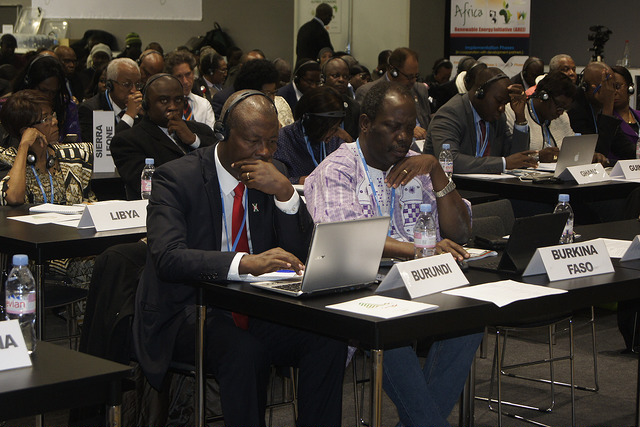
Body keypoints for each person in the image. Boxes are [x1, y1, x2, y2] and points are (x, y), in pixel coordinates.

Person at [132, 89, 346, 426]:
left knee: (328, 340)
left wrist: (286, 193)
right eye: (253, 141)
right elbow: (168, 258)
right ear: (224, 135)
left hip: (256, 306)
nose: (264, 152)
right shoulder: (176, 178)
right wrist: (244, 262)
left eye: (272, 142)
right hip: (190, 311)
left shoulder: (271, 172)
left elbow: (302, 252)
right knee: (244, 352)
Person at [304, 81, 481, 427]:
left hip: (422, 281)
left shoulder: (419, 164)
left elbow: (461, 232)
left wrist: (437, 171)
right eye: (393, 126)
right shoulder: (337, 170)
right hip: (360, 287)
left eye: (409, 126)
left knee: (470, 321)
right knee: (391, 330)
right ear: (366, 123)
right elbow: (347, 237)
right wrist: (419, 249)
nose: (404, 137)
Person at [111, 74, 216, 199]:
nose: (173, 107)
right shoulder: (128, 141)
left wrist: (194, 140)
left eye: (178, 100)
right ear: (146, 105)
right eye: (164, 101)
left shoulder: (201, 130)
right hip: (163, 211)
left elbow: (220, 160)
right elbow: (149, 186)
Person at [425, 66, 537, 174]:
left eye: (505, 103)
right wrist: (503, 163)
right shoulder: (450, 114)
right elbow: (450, 161)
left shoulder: (498, 118)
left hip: (488, 188)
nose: (502, 108)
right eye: (498, 101)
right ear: (479, 93)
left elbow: (517, 160)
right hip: (453, 188)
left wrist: (520, 117)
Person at [0, 90, 95, 205]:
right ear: (26, 130)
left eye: (52, 115)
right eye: (46, 119)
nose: (55, 121)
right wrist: (24, 146)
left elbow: (90, 201)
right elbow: (14, 198)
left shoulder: (74, 155)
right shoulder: (6, 160)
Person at [274, 86, 347, 184]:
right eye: (328, 129)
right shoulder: (281, 141)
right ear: (310, 121)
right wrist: (298, 181)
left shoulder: (337, 141)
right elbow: (271, 181)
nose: (331, 135)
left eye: (335, 128)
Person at [355, 47, 431, 139]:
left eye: (416, 76)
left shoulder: (420, 89)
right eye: (409, 77)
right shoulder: (367, 91)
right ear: (393, 71)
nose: (413, 81)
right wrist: (407, 130)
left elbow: (428, 124)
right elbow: (367, 130)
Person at [568, 61, 634, 162]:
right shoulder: (574, 110)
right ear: (589, 88)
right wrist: (608, 107)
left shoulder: (599, 106)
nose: (612, 92)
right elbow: (598, 155)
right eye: (607, 87)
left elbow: (623, 147)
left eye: (614, 86)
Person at [505, 71, 576, 161]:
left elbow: (572, 150)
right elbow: (508, 155)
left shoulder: (563, 117)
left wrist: (587, 156)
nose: (561, 113)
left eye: (565, 108)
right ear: (544, 96)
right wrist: (537, 157)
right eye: (559, 106)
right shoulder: (513, 112)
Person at [12, 54, 82, 143]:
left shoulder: (67, 106)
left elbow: (76, 142)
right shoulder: (15, 107)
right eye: (43, 90)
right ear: (29, 84)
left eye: (53, 92)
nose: (47, 96)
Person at [213, 59, 294, 127]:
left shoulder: (279, 106)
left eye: (273, 93)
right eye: (267, 93)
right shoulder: (226, 101)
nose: (272, 98)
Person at [78, 58, 143, 143]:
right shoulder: (91, 109)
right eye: (127, 85)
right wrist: (129, 116)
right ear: (110, 85)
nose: (134, 90)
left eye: (138, 85)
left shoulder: (142, 108)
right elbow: (104, 150)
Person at [165, 50, 216, 129]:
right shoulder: (165, 106)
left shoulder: (204, 105)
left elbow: (211, 138)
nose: (185, 81)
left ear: (193, 73)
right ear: (171, 78)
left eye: (188, 74)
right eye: (179, 76)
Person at [321, 57, 360, 139]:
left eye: (345, 77)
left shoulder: (354, 107)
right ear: (323, 78)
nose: (341, 80)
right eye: (336, 76)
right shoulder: (313, 103)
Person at [611, 66, 640, 150]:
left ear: (630, 88)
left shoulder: (638, 115)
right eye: (610, 87)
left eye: (617, 86)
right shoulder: (607, 119)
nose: (614, 92)